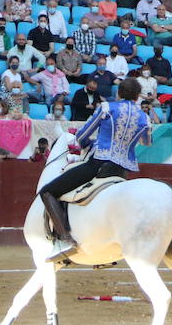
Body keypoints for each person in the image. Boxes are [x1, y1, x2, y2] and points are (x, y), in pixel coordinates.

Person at [36, 77, 152, 262]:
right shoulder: (144, 117)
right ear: (137, 96)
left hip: (98, 166)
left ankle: (65, 239)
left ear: (119, 93)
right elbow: (147, 141)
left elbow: (82, 136)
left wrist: (87, 143)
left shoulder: (107, 108)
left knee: (47, 192)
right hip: (123, 172)